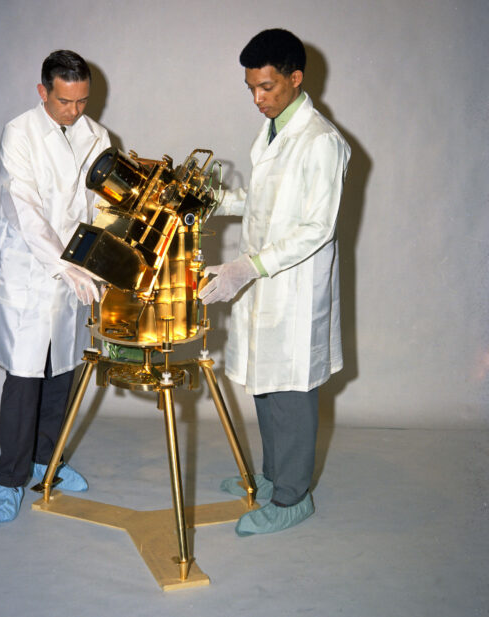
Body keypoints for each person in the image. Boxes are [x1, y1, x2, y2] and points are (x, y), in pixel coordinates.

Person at [199, 29, 350, 536]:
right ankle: (272, 477)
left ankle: (293, 498)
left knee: (291, 393)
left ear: (295, 78)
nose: (259, 99)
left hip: (293, 287)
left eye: (267, 87)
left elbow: (317, 227)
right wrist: (212, 201)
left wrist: (247, 268)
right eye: (251, 89)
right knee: (267, 388)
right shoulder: (272, 132)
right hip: (266, 279)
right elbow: (262, 201)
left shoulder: (321, 141)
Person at [0, 50, 111, 523]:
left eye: (82, 101)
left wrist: (96, 260)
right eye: (64, 101)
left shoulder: (98, 136)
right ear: (43, 92)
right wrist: (62, 264)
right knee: (24, 379)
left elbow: (102, 205)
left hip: (77, 274)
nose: (74, 111)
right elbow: (24, 208)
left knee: (64, 374)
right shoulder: (20, 132)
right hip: (30, 274)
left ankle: (47, 464)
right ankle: (10, 478)